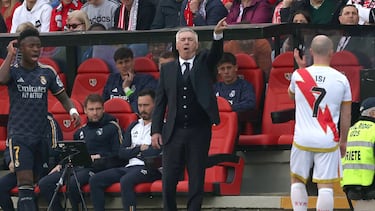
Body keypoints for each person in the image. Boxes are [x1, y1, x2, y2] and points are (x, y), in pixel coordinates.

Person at [151, 18, 227, 211]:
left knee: (196, 177)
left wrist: (217, 35)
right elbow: (160, 103)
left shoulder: (204, 63)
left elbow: (216, 54)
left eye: (190, 40)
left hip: (198, 130)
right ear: (176, 45)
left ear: (196, 44)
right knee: (168, 178)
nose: (186, 43)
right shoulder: (167, 69)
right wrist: (156, 130)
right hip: (173, 131)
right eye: (183, 40)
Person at [0, 28, 81, 211]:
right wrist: (10, 56)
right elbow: (1, 78)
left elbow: (63, 97)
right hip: (20, 136)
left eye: (38, 46)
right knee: (25, 183)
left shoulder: (47, 72)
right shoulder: (13, 71)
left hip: (41, 137)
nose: (36, 49)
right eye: (31, 46)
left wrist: (73, 111)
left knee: (37, 183)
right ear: (21, 48)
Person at [288, 35, 352, 211]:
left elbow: (292, 95)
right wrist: (344, 140)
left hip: (302, 139)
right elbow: (346, 115)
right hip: (328, 138)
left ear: (311, 52)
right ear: (332, 52)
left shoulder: (298, 76)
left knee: (297, 180)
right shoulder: (341, 79)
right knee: (325, 186)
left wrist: (301, 68)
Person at [38, 94, 123, 211]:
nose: (95, 113)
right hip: (77, 166)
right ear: (85, 111)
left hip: (98, 167)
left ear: (103, 109)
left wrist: (100, 156)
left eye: (98, 109)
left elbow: (119, 154)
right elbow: (74, 152)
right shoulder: (80, 131)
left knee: (73, 182)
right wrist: (61, 164)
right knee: (44, 183)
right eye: (91, 109)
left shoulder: (112, 127)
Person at [89, 89, 162, 211]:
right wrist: (140, 148)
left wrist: (133, 151)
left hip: (149, 168)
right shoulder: (134, 126)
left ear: (155, 105)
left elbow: (154, 153)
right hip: (129, 167)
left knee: (126, 181)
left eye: (146, 105)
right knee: (95, 180)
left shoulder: (162, 127)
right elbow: (122, 153)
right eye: (140, 105)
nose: (142, 109)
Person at [0, 113, 63, 211]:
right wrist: (10, 161)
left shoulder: (49, 121)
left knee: (33, 189)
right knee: (1, 186)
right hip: (22, 168)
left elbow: (55, 148)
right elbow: (9, 146)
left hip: (43, 168)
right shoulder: (16, 122)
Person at [341, 97, 375, 210]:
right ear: (373, 113)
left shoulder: (350, 131)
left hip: (351, 189)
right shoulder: (373, 130)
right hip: (371, 188)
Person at [102, 47, 158, 112]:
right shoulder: (112, 79)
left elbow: (140, 109)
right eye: (120, 63)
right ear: (116, 65)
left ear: (133, 61)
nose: (124, 65)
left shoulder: (146, 80)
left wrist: (126, 89)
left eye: (127, 61)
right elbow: (103, 105)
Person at [336, 4, 373, 68]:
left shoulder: (366, 36)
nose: (351, 16)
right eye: (347, 13)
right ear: (340, 19)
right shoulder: (333, 36)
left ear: (358, 18)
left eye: (354, 13)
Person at [279, 0, 346, 24]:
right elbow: (288, 29)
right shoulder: (299, 5)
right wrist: (286, 7)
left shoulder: (336, 4)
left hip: (328, 43)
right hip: (302, 42)